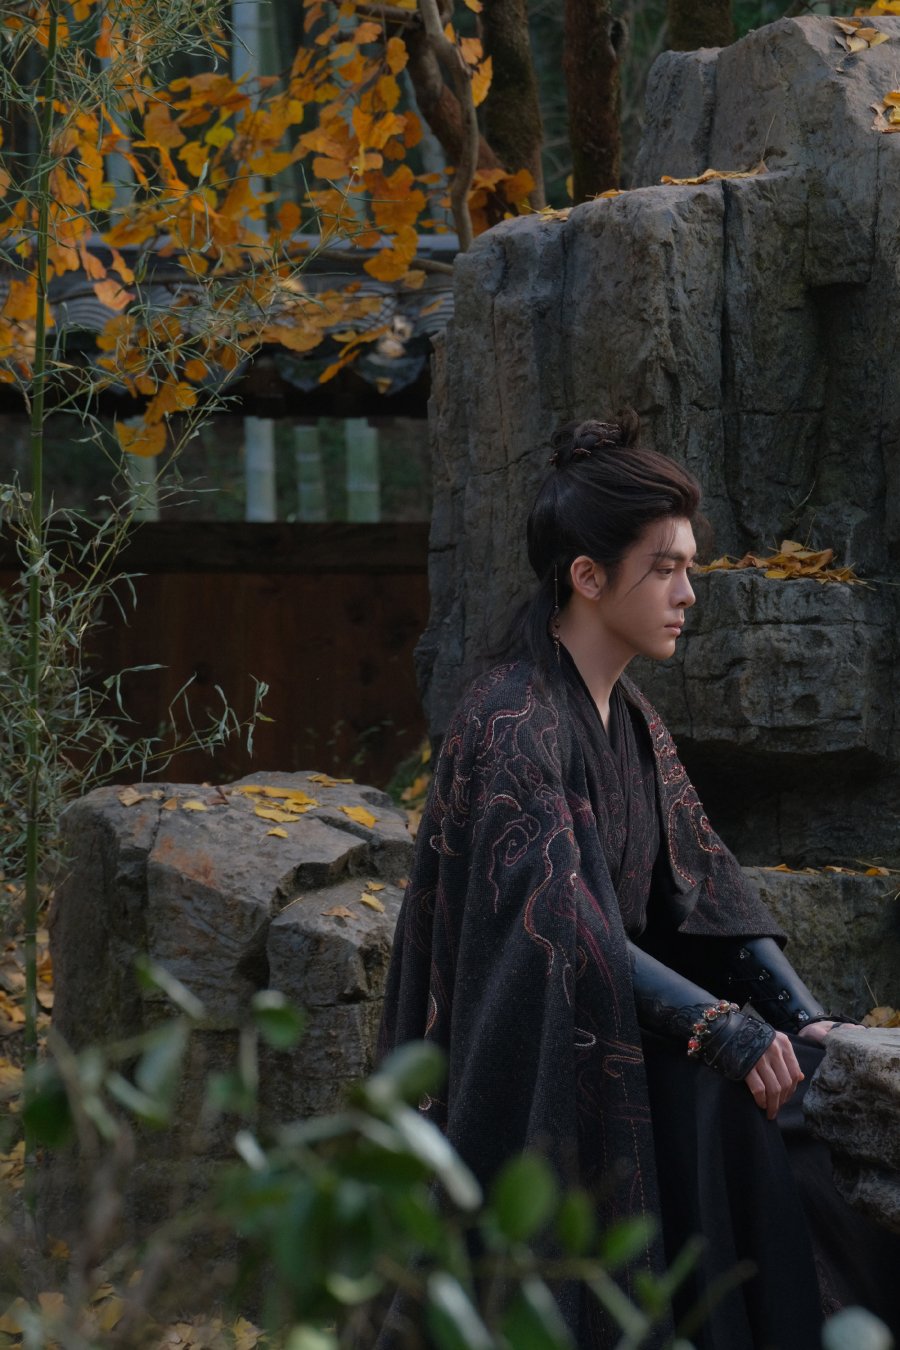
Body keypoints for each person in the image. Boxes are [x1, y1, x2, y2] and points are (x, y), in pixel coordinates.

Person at [378, 415, 900, 1349]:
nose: (688, 593)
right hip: (531, 1064)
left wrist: (801, 1017)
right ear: (587, 576)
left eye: (688, 567)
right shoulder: (510, 721)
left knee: (808, 1089)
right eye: (665, 569)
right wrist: (720, 1029)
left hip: (612, 1023)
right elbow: (559, 924)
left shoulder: (633, 719)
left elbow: (706, 884)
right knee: (724, 1099)